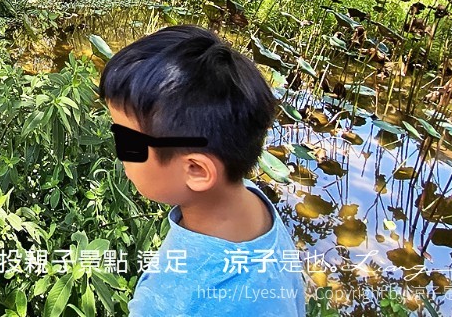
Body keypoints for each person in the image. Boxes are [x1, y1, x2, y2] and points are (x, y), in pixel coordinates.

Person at [98, 25, 305, 316]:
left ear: (196, 170)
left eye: (126, 141)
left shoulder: (171, 302)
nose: (119, 154)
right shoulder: (251, 204)